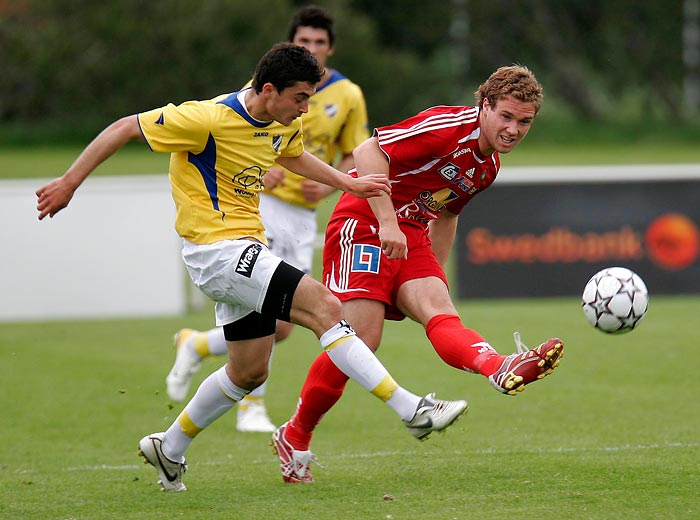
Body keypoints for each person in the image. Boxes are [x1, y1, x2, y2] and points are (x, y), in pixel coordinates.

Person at [35, 42, 468, 492]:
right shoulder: (205, 119)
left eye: (310, 98)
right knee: (325, 306)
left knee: (249, 372)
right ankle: (411, 409)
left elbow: (290, 153)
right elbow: (125, 127)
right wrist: (69, 183)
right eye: (299, 98)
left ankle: (170, 446)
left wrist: (346, 183)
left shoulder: (281, 121)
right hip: (215, 251)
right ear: (267, 90)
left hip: (244, 248)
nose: (305, 109)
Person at [271, 64, 565, 483]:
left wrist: (432, 275)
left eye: (524, 122)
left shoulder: (487, 167)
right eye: (506, 116)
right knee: (362, 339)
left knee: (440, 310)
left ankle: (498, 367)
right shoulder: (447, 126)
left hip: (411, 234)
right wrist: (388, 222)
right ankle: (295, 435)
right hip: (365, 220)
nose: (514, 129)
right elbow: (367, 153)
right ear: (484, 107)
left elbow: (446, 215)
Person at [165, 5, 370, 434]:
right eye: (302, 41)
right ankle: (252, 409)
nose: (310, 47)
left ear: (330, 48)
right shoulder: (268, 84)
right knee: (300, 306)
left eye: (318, 42)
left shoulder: (347, 94)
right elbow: (245, 131)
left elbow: (351, 151)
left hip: (303, 215)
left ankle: (198, 344)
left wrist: (334, 185)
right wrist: (267, 165)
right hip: (261, 211)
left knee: (281, 326)